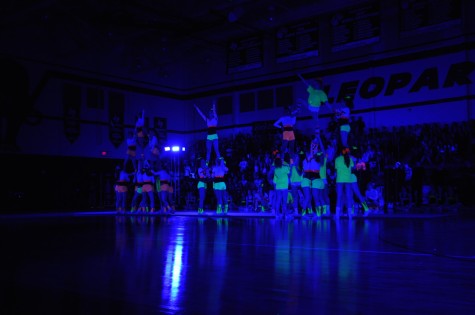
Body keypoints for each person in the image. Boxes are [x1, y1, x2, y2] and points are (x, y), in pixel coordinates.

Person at [334, 147, 354, 219]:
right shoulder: (350, 159)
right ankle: (350, 215)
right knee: (349, 197)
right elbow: (351, 169)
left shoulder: (337, 159)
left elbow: (336, 170)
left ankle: (337, 215)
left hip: (339, 180)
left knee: (339, 197)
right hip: (348, 180)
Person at [272, 153, 290, 220]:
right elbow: (289, 171)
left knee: (278, 200)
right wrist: (285, 164)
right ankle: (286, 215)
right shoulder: (285, 168)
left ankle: (277, 214)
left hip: (278, 187)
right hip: (284, 187)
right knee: (284, 201)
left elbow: (275, 180)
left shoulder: (275, 170)